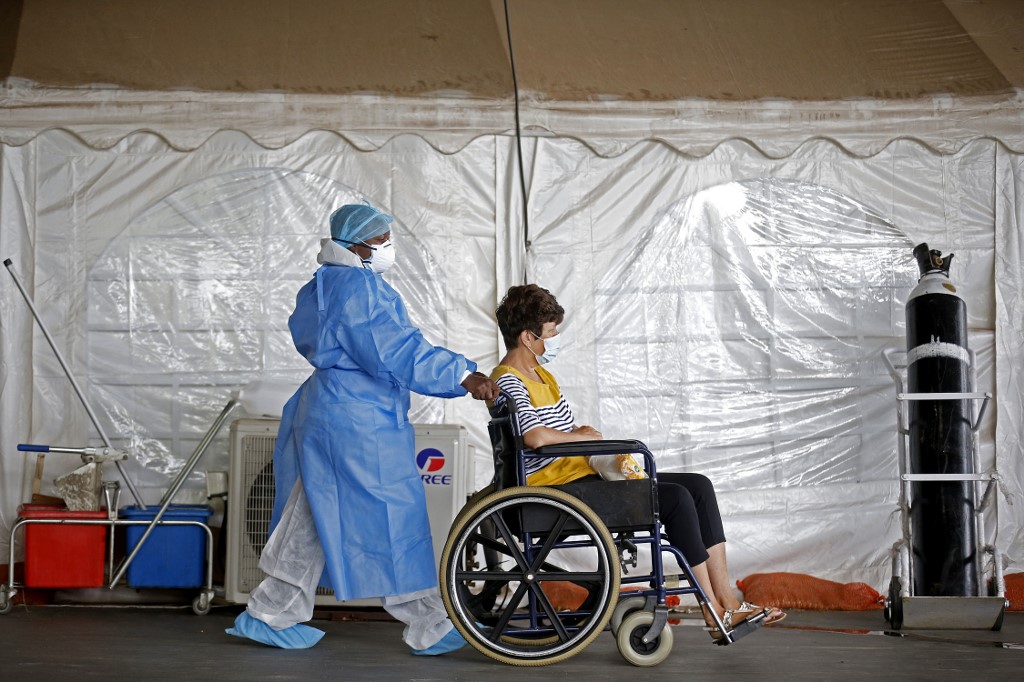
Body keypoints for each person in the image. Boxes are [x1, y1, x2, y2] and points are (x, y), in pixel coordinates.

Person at [227, 203, 499, 654]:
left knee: (310, 514)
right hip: (359, 419)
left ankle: (271, 612)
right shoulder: (360, 288)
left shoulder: (320, 285)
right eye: (380, 241)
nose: (387, 248)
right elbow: (397, 350)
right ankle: (428, 622)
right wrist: (462, 376)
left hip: (324, 409)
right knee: (392, 515)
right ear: (356, 245)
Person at [488, 283, 785, 638]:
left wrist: (579, 431)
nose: (552, 341)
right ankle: (711, 610)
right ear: (526, 337)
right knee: (674, 499)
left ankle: (728, 602)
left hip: (574, 475)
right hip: (555, 491)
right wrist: (580, 439)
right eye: (549, 334)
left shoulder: (542, 375)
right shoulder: (508, 380)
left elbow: (555, 428)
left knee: (699, 486)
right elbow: (534, 437)